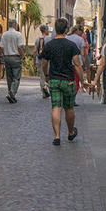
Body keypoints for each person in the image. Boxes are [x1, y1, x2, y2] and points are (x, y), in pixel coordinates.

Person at [40, 17, 85, 145]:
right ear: (66, 30)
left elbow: (44, 63)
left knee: (56, 107)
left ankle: (57, 136)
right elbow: (77, 64)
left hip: (54, 80)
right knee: (69, 108)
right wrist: (82, 80)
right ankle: (70, 132)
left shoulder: (49, 45)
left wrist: (46, 75)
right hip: (68, 80)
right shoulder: (71, 45)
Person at [0, 20, 25, 103]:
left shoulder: (4, 34)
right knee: (16, 77)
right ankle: (12, 93)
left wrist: (4, 54)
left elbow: (1, 47)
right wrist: (22, 57)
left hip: (7, 57)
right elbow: (20, 47)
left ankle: (10, 91)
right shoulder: (18, 34)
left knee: (9, 77)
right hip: (15, 57)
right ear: (15, 25)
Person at [68, 20, 88, 102]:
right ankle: (73, 98)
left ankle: (68, 96)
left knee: (69, 80)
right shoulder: (80, 40)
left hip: (68, 61)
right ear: (78, 30)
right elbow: (83, 54)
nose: (82, 33)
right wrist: (85, 65)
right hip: (77, 61)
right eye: (82, 31)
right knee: (76, 80)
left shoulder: (67, 38)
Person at [34, 25, 50, 97]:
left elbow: (34, 51)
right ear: (46, 30)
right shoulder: (49, 39)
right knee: (48, 75)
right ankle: (46, 87)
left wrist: (35, 60)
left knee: (42, 76)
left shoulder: (37, 39)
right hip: (48, 60)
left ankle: (43, 93)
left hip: (39, 59)